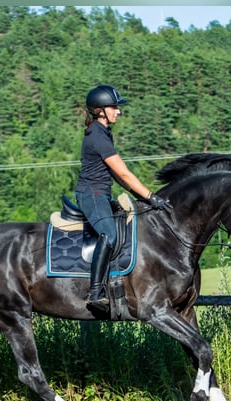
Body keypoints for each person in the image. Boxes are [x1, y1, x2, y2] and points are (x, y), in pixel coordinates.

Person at [75, 84, 171, 312]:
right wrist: (152, 197)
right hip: (92, 194)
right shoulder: (97, 136)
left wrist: (143, 198)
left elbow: (117, 176)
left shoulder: (103, 132)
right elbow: (124, 173)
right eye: (114, 107)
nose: (118, 111)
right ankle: (95, 292)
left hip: (101, 192)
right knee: (109, 234)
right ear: (100, 110)